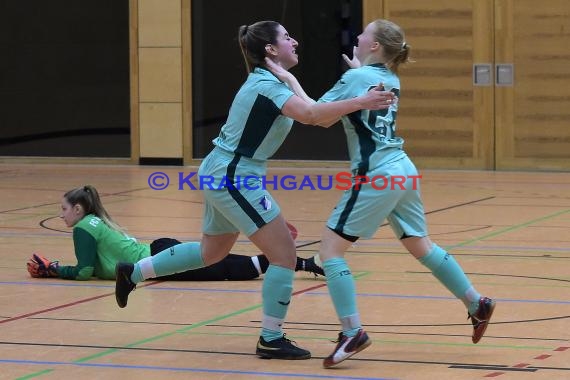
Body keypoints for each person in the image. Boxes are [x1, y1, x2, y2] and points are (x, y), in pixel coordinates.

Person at [114, 20, 395, 361]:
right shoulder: (265, 85)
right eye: (287, 37)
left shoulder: (274, 81)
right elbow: (310, 114)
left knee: (211, 253)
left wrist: (353, 93)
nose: (295, 41)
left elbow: (318, 114)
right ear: (271, 50)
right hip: (233, 174)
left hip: (228, 172)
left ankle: (134, 271)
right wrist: (361, 101)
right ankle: (271, 339)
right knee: (284, 255)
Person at [268, 19, 496, 368]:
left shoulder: (358, 79)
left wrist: (289, 79)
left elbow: (315, 115)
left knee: (330, 251)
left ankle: (352, 332)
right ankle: (475, 302)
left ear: (374, 46)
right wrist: (357, 78)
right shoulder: (388, 77)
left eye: (364, 34)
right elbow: (356, 99)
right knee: (421, 245)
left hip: (377, 174)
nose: (357, 37)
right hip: (403, 168)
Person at [25, 185, 325, 281]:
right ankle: (301, 262)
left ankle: (295, 259)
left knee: (229, 268)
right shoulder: (93, 222)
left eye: (64, 209)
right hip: (158, 250)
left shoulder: (82, 229)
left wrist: (54, 269)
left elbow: (84, 271)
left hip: (156, 262)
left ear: (78, 209)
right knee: (225, 262)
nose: (61, 214)